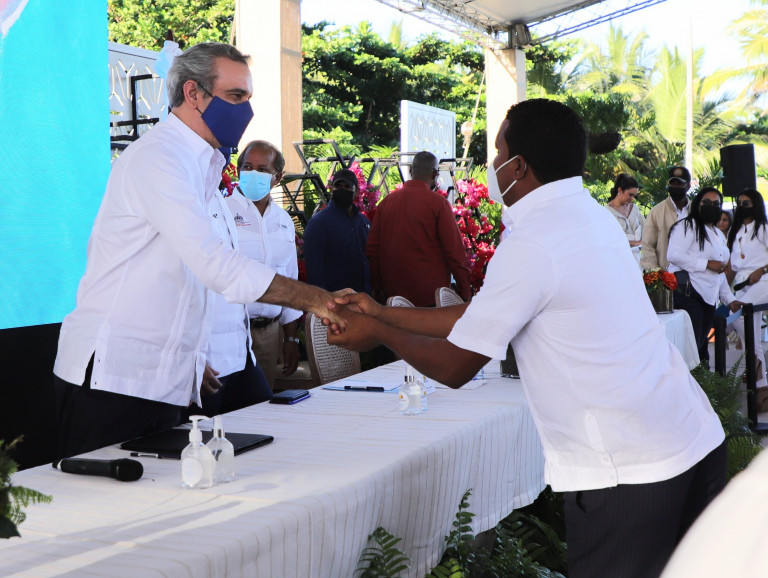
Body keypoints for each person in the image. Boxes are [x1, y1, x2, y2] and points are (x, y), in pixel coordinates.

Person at [329, 99, 727, 578]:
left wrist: (378, 333)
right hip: (690, 438)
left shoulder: (535, 241)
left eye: (498, 153)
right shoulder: (588, 214)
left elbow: (455, 366)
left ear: (518, 166)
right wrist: (382, 312)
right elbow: (483, 313)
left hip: (631, 470)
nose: (493, 163)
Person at [53, 42, 342, 459]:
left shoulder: (201, 166)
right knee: (106, 500)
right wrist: (318, 301)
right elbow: (216, 266)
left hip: (161, 379)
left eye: (248, 97)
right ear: (193, 93)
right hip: (112, 378)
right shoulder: (160, 158)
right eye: (235, 96)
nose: (246, 111)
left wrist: (189, 355)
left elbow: (187, 283)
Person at [228, 140, 302, 388]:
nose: (253, 174)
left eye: (262, 170)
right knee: (229, 405)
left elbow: (290, 279)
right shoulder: (222, 213)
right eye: (247, 167)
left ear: (277, 177)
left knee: (262, 401)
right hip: (231, 332)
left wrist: (291, 339)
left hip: (270, 334)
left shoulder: (283, 221)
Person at [366, 151, 471, 306]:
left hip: (394, 297)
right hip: (431, 297)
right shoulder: (438, 204)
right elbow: (455, 253)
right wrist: (465, 292)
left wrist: (377, 287)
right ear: (434, 174)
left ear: (410, 171)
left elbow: (372, 250)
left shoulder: (386, 203)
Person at [667, 187, 738, 367]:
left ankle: (701, 384)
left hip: (708, 298)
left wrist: (729, 299)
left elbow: (719, 271)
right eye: (706, 202)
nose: (711, 206)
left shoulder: (717, 234)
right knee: (691, 351)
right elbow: (673, 255)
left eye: (716, 203)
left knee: (700, 351)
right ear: (698, 203)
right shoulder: (686, 226)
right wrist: (706, 263)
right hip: (688, 294)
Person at [727, 189, 768, 399]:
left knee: (739, 312)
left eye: (746, 203)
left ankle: (756, 368)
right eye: (739, 202)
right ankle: (761, 385)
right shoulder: (735, 232)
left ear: (755, 205)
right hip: (742, 282)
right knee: (749, 329)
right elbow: (732, 266)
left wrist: (762, 269)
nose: (741, 207)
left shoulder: (763, 228)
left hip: (764, 280)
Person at [303, 168, 371, 294]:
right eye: (338, 186)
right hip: (335, 298)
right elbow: (314, 268)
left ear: (357, 191)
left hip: (363, 296)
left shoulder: (363, 222)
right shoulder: (319, 223)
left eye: (347, 187)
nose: (342, 190)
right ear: (331, 189)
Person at [640, 166, 691, 270]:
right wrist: (655, 273)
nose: (676, 186)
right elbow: (647, 245)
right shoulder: (656, 212)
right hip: (666, 273)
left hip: (693, 273)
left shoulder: (697, 211)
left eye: (680, 184)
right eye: (673, 183)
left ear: (688, 186)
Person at [605, 173, 644, 266]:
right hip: (618, 260)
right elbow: (608, 240)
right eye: (630, 195)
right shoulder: (606, 212)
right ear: (620, 190)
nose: (632, 198)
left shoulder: (634, 209)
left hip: (638, 259)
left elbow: (647, 229)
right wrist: (636, 243)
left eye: (634, 196)